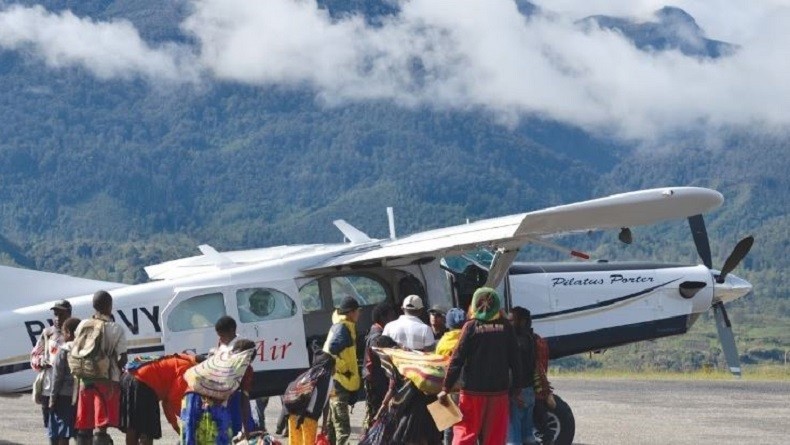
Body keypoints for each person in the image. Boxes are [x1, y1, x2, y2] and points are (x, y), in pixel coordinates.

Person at [438, 287, 522, 445]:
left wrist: (445, 388)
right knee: (495, 437)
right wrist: (517, 389)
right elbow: (516, 360)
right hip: (499, 392)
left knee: (466, 434)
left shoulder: (470, 327)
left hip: (472, 392)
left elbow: (457, 359)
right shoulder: (507, 327)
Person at [365, 335, 441, 445]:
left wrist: (384, 404)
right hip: (428, 398)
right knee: (427, 435)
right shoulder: (407, 352)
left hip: (414, 404)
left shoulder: (395, 357)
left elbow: (392, 386)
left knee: (411, 437)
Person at [74, 290, 128, 445]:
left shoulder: (82, 325)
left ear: (93, 306)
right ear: (110, 306)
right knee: (101, 426)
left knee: (84, 425)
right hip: (106, 382)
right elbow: (122, 358)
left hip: (84, 380)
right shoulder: (116, 329)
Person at [180, 340, 257, 445]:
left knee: (191, 436)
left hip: (191, 400)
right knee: (216, 438)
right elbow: (244, 402)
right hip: (211, 406)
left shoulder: (220, 358)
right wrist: (248, 432)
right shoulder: (245, 369)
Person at [122, 353, 204, 439]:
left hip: (127, 377)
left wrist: (176, 426)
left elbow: (167, 401)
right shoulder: (187, 368)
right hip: (143, 381)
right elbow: (174, 399)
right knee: (146, 431)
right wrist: (189, 419)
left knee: (133, 427)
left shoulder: (179, 359)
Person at [322, 296, 362, 445]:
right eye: (357, 311)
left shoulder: (343, 326)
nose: (359, 314)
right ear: (351, 312)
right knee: (343, 428)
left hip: (337, 381)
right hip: (340, 381)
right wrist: (344, 367)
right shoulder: (342, 329)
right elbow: (330, 352)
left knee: (333, 424)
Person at [31, 299, 72, 436]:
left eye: (61, 314)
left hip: (68, 390)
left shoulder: (75, 333)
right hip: (48, 388)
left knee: (68, 429)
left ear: (69, 314)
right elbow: (34, 356)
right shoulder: (47, 333)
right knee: (50, 427)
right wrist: (41, 361)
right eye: (55, 314)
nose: (57, 318)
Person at [214, 316, 253, 439]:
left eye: (222, 336)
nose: (220, 339)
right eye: (219, 336)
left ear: (232, 331)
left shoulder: (242, 347)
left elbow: (244, 399)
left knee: (238, 426)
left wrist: (246, 430)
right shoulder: (222, 343)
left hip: (235, 394)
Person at [284, 351, 335, 445]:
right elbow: (326, 402)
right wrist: (324, 424)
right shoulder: (328, 378)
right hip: (309, 418)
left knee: (294, 443)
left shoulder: (308, 374)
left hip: (293, 415)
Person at [362, 302, 397, 434]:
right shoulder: (378, 338)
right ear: (383, 318)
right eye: (391, 316)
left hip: (371, 380)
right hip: (378, 382)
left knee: (372, 415)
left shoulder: (372, 332)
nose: (393, 319)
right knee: (378, 416)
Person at [434, 308, 466, 445]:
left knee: (449, 425)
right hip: (468, 388)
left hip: (447, 388)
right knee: (467, 425)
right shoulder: (468, 338)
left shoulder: (442, 342)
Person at [507, 307, 538, 445]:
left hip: (518, 392)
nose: (509, 323)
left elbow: (516, 369)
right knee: (528, 436)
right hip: (529, 390)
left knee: (514, 438)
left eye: (512, 320)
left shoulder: (518, 342)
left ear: (523, 321)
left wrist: (515, 391)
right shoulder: (531, 337)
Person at [48, 317, 81, 445]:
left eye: (64, 332)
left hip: (64, 396)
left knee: (63, 432)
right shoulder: (86, 348)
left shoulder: (64, 350)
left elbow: (57, 377)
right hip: (81, 394)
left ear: (69, 333)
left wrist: (52, 399)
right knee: (81, 431)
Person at [530, 312, 556, 445]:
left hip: (534, 389)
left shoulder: (529, 341)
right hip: (539, 389)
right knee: (540, 419)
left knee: (537, 423)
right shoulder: (538, 340)